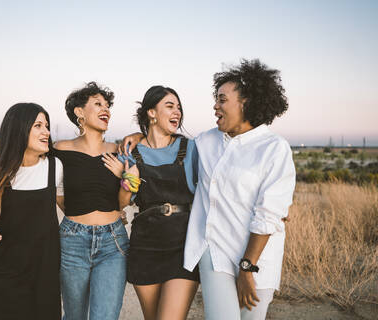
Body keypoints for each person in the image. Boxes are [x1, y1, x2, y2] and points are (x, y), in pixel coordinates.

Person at [183, 59, 296, 320]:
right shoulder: (205, 142)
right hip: (216, 252)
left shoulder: (274, 148)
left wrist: (247, 267)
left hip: (259, 261)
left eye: (222, 99)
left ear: (245, 103)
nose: (215, 105)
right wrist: (140, 136)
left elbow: (269, 212)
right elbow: (168, 143)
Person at [114, 85, 199, 320]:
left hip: (182, 247)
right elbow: (121, 203)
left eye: (179, 108)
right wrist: (127, 180)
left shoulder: (191, 148)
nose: (177, 112)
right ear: (151, 113)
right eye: (170, 106)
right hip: (145, 247)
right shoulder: (130, 151)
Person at [0, 103, 63, 320]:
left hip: (44, 273)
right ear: (19, 130)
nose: (47, 132)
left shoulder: (55, 167)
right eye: (38, 125)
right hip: (1, 273)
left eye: (47, 126)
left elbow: (72, 209)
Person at [51, 82, 129, 320]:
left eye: (107, 106)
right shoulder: (60, 150)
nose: (106, 109)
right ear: (79, 112)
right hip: (72, 242)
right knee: (74, 316)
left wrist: (123, 176)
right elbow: (58, 195)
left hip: (113, 243)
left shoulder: (119, 151)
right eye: (98, 104)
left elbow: (123, 201)